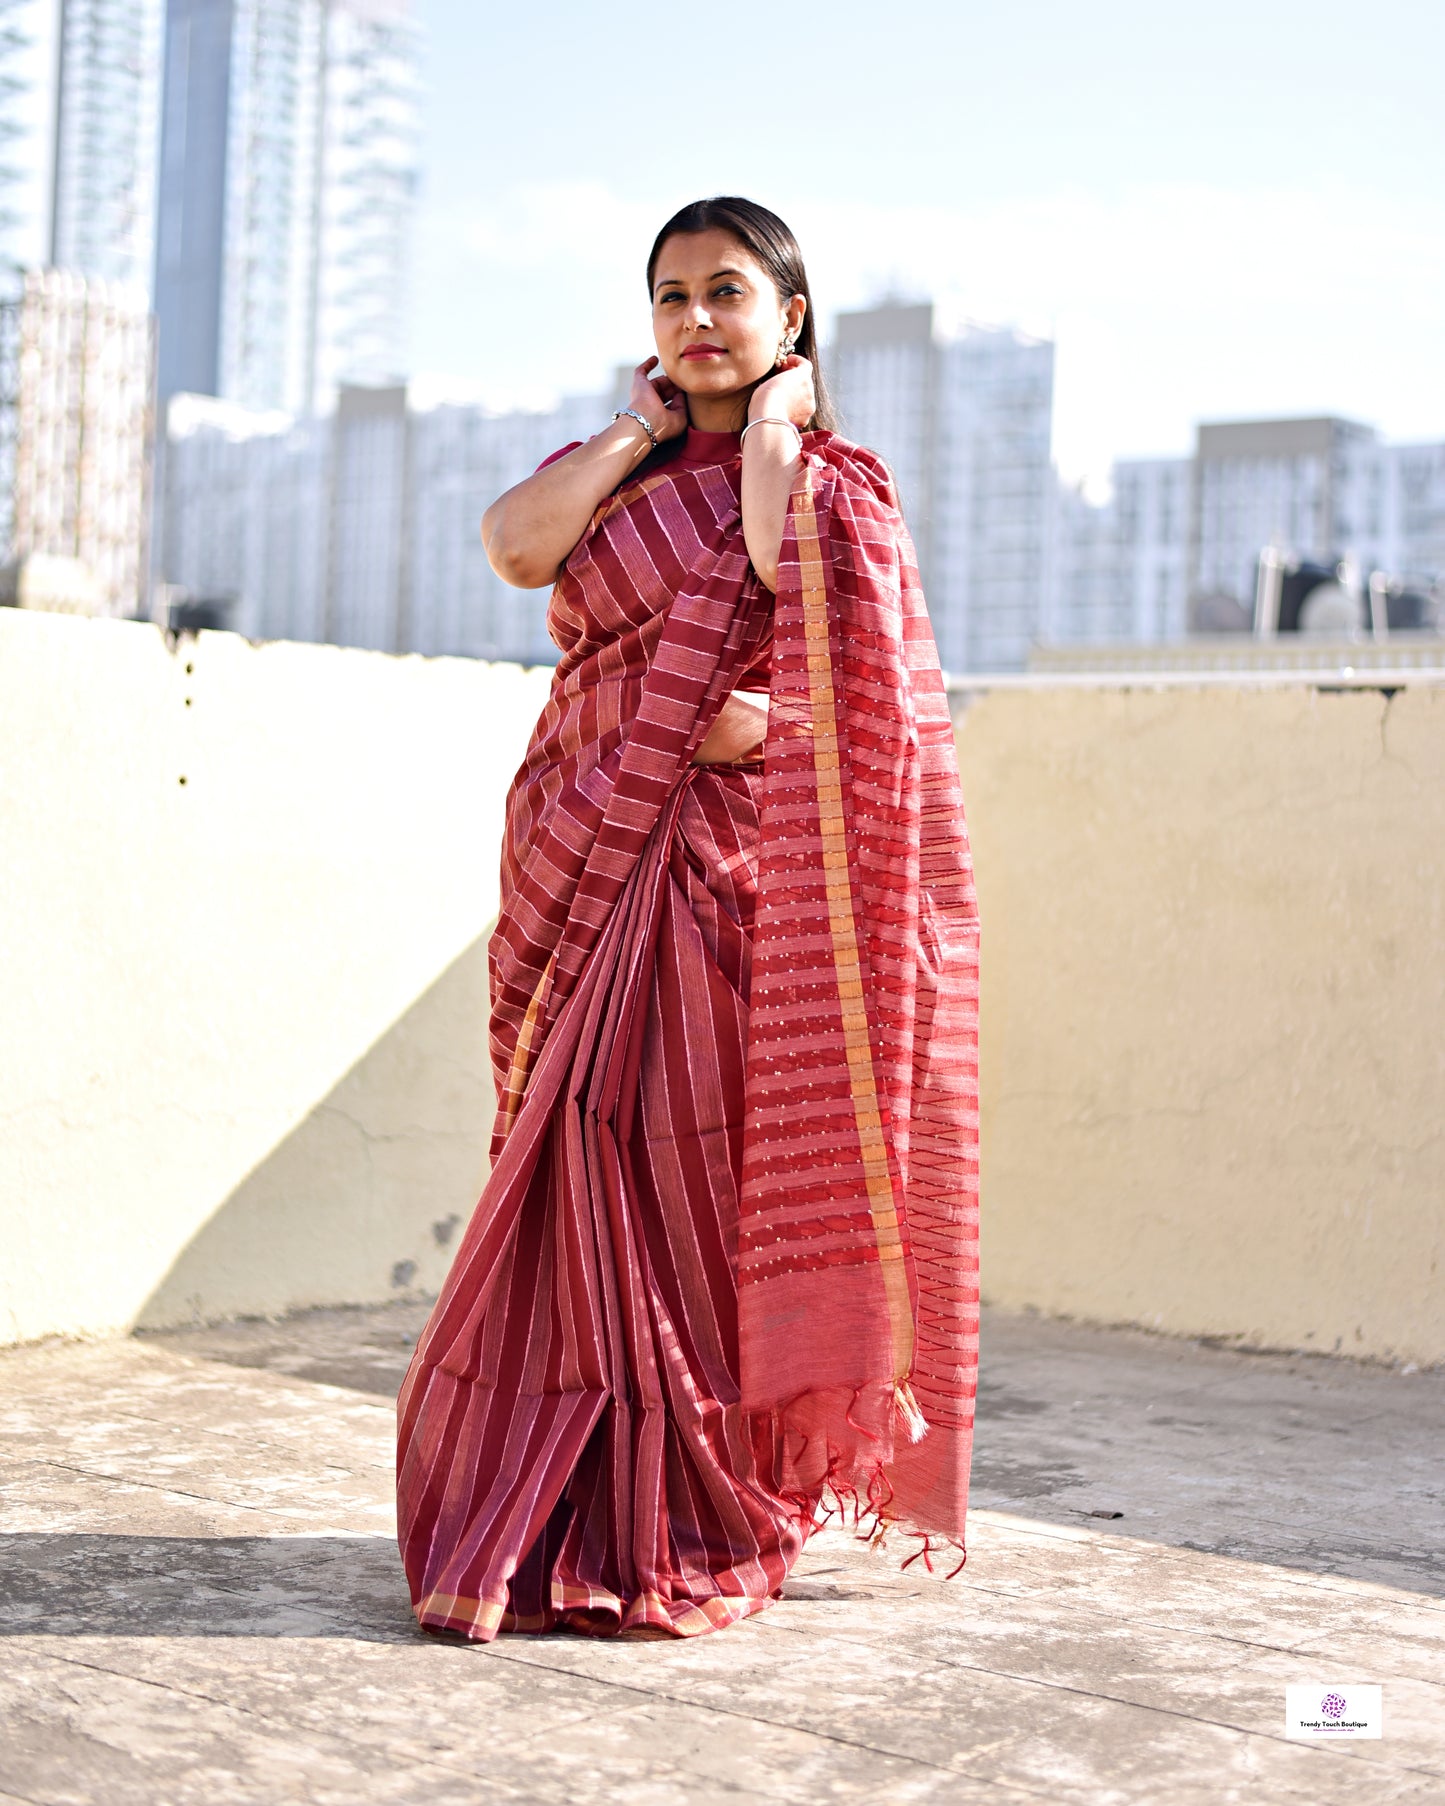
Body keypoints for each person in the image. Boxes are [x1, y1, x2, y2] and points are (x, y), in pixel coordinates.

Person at [396, 196, 980, 1642]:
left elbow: (806, 603)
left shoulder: (832, 480)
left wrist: (773, 435)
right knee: (573, 1150)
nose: (696, 318)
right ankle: (545, 1494)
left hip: (726, 874)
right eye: (670, 296)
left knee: (694, 1179)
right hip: (583, 838)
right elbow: (515, 550)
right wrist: (635, 432)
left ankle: (703, 1493)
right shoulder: (614, 467)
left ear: (790, 316)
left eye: (728, 293)